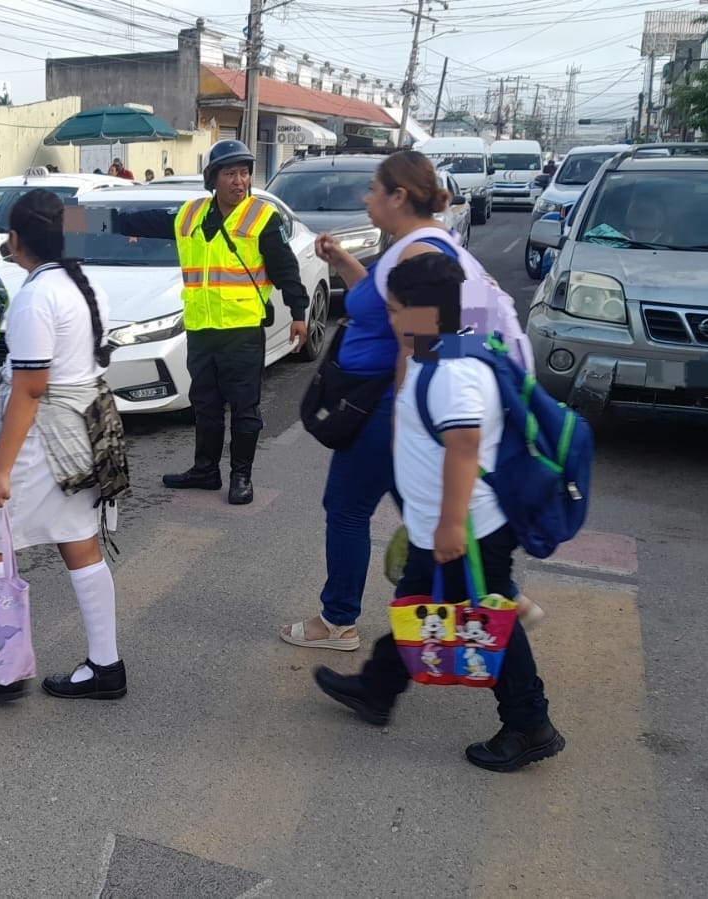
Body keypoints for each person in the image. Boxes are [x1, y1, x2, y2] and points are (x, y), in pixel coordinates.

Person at [313, 252, 564, 774]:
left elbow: (465, 446)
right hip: (446, 524)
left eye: (395, 309)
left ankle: (529, 723)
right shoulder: (444, 345)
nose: (391, 319)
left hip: (468, 527)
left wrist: (449, 523)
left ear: (422, 311)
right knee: (418, 602)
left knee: (490, 622)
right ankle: (378, 688)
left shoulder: (453, 370)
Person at [281, 150, 465, 651]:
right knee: (421, 512)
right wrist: (342, 260)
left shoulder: (419, 254)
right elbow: (384, 306)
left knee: (346, 507)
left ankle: (337, 620)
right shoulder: (403, 247)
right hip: (386, 403)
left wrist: (408, 416)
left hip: (387, 405)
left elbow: (429, 342)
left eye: (373, 190)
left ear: (399, 196)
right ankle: (487, 597)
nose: (366, 199)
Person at [0, 188, 125, 703]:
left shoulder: (36, 296)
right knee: (80, 544)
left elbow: (29, 389)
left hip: (46, 439)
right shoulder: (85, 284)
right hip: (85, 432)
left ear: (18, 238)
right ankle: (105, 665)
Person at [113, 140, 309, 505]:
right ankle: (205, 470)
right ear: (212, 179)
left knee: (245, 408)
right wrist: (87, 219)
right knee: (204, 405)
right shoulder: (190, 214)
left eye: (245, 173)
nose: (239, 181)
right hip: (201, 330)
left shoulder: (261, 217)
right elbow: (143, 221)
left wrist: (299, 314)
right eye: (230, 173)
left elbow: (286, 270)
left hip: (242, 331)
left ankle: (241, 477)